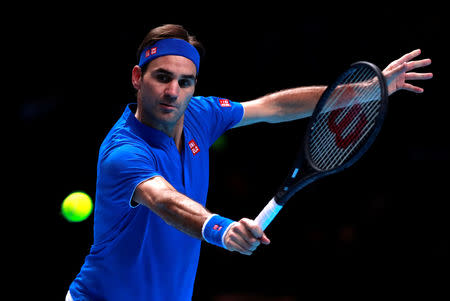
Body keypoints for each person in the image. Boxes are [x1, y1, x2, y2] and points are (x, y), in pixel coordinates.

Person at [66, 24, 432, 301]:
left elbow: (272, 107)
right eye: (162, 77)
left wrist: (369, 90)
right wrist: (221, 229)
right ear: (137, 77)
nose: (173, 91)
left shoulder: (200, 114)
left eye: (185, 81)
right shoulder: (124, 152)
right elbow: (164, 199)